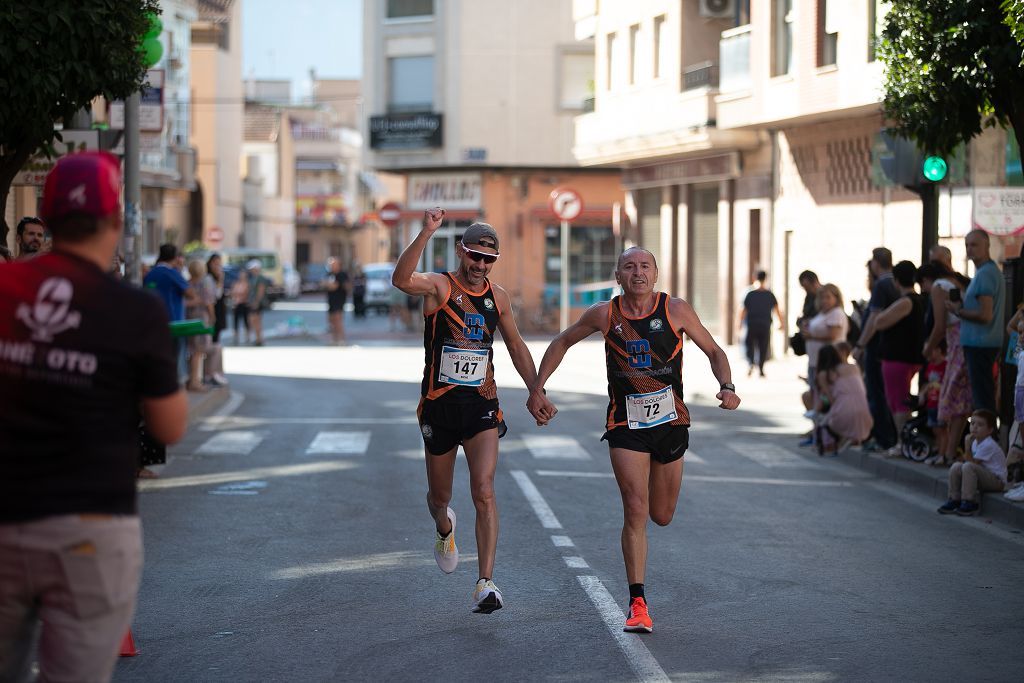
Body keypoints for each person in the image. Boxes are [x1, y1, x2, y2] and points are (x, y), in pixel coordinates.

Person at [0, 151, 187, 681]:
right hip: (89, 528)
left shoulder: (4, 289)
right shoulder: (135, 310)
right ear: (114, 221)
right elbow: (169, 426)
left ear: (46, 220)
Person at [528, 246, 740, 634]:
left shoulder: (675, 310)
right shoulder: (605, 314)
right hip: (625, 425)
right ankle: (638, 602)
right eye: (629, 266)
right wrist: (538, 388)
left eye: (644, 266)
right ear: (618, 275)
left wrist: (726, 386)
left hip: (671, 423)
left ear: (655, 274)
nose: (637, 273)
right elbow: (561, 341)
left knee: (661, 514)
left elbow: (713, 350)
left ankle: (639, 596)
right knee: (635, 508)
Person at [392, 211, 554, 614]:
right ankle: (444, 529)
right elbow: (401, 280)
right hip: (439, 408)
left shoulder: (498, 297)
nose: (480, 265)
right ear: (462, 252)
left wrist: (536, 390)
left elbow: (515, 345)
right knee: (439, 497)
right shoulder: (440, 287)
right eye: (474, 256)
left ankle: (485, 582)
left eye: (488, 259)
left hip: (482, 406)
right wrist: (427, 231)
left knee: (484, 490)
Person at [854, 260, 926, 456]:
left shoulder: (906, 301)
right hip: (906, 358)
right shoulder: (916, 300)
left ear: (896, 281)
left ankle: (902, 443)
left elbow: (879, 321)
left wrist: (879, 310)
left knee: (897, 402)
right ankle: (903, 442)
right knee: (898, 400)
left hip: (898, 359)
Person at [923, 261, 971, 468]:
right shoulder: (957, 283)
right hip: (967, 340)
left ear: (926, 279)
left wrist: (928, 348)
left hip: (956, 344)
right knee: (960, 400)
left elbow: (940, 325)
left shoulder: (938, 286)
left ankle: (948, 452)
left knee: (951, 398)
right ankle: (951, 452)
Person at [951, 230, 1004, 414]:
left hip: (981, 344)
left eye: (974, 245)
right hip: (982, 342)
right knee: (982, 396)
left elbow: (985, 314)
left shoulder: (985, 274)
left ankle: (987, 439)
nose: (969, 249)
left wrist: (958, 310)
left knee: (983, 399)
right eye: (967, 245)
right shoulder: (985, 272)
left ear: (987, 246)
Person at [855, 247, 900, 451]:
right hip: (889, 347)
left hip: (877, 348)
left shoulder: (882, 284)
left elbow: (874, 318)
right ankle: (888, 436)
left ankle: (884, 438)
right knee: (885, 393)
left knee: (877, 393)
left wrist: (860, 345)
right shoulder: (893, 282)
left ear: (875, 263)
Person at [799, 283, 848, 445]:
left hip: (828, 364)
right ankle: (818, 432)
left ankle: (830, 433)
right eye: (822, 297)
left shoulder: (836, 314)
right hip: (815, 363)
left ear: (836, 298)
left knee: (824, 397)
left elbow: (832, 335)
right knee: (814, 396)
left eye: (828, 297)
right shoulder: (821, 314)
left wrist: (810, 335)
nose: (825, 301)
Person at [937, 409, 1007, 516]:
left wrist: (967, 446)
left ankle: (970, 502)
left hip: (997, 482)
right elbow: (967, 461)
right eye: (972, 423)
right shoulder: (975, 442)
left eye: (980, 425)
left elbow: (972, 463)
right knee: (956, 466)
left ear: (990, 430)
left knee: (968, 466)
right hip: (982, 476)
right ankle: (954, 499)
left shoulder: (989, 444)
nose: (974, 427)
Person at [814, 344, 873, 454]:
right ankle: (850, 440)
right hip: (865, 414)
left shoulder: (826, 374)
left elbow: (830, 400)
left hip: (843, 414)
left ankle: (836, 443)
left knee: (826, 420)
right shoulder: (854, 367)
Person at [738, 270, 784, 378]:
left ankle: (750, 364)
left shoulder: (749, 293)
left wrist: (739, 323)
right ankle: (761, 368)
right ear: (765, 278)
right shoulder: (769, 294)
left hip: (751, 324)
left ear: (754, 278)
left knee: (750, 345)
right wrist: (781, 323)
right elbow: (777, 309)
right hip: (765, 324)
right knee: (763, 346)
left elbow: (742, 310)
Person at [184, 259, 213, 392]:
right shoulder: (205, 282)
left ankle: (193, 379)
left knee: (192, 350)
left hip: (188, 318)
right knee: (198, 351)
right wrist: (213, 317)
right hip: (201, 319)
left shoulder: (186, 283)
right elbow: (208, 302)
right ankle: (195, 382)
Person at [921, 340, 948, 464]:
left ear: (938, 350)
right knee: (935, 430)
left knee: (942, 430)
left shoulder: (946, 365)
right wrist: (923, 393)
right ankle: (938, 452)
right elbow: (928, 383)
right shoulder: (930, 366)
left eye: (930, 350)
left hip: (941, 404)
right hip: (931, 403)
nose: (926, 354)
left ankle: (943, 455)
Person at [204, 253, 229, 386]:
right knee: (212, 343)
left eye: (219, 263)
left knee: (216, 341)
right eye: (215, 263)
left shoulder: (215, 277)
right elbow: (214, 296)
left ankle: (214, 372)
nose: (218, 266)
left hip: (219, 312)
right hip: (213, 313)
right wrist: (220, 280)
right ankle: (210, 373)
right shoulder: (209, 278)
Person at [325, 257, 349, 345]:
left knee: (338, 320)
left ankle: (342, 339)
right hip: (331, 300)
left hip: (339, 300)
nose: (332, 266)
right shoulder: (330, 274)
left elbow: (334, 286)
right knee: (331, 321)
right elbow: (324, 284)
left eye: (333, 265)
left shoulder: (341, 274)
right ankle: (334, 339)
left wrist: (328, 285)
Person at [246, 260, 270, 346]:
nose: (251, 270)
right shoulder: (253, 278)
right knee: (254, 320)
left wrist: (256, 302)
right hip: (253, 302)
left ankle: (259, 339)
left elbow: (261, 291)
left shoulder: (260, 278)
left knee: (256, 320)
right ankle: (258, 338)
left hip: (258, 303)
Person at [231, 266, 251, 344]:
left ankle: (248, 336)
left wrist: (240, 295)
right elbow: (233, 293)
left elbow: (246, 293)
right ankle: (236, 337)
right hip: (236, 304)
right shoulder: (236, 283)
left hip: (244, 304)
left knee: (246, 320)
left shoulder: (247, 284)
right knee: (236, 321)